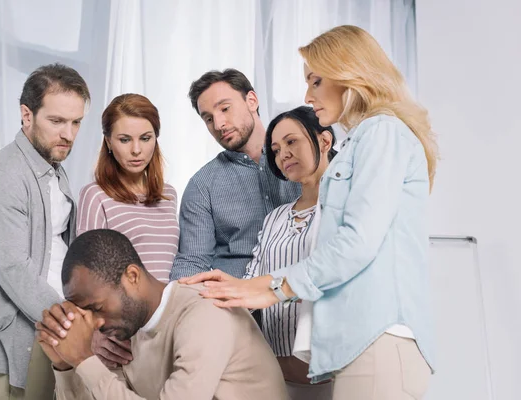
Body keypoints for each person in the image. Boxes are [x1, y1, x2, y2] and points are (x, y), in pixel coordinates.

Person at [182, 25, 438, 400]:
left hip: (379, 335)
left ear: (350, 74)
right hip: (356, 341)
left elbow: (356, 243)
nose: (307, 95)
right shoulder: (363, 141)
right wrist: (244, 286)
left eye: (316, 81)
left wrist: (271, 288)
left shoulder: (382, 132)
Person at [36, 229, 289, 400]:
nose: (96, 324)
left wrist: (83, 359)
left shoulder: (204, 311)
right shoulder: (126, 328)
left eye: (97, 308)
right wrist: (65, 364)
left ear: (132, 277)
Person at [0, 63, 90, 399]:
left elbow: (59, 250)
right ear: (27, 115)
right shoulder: (2, 176)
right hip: (18, 335)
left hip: (53, 329)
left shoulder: (52, 170)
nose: (69, 134)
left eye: (76, 122)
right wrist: (71, 321)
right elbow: (13, 268)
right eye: (57, 121)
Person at [169, 69, 300, 281]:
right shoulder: (202, 185)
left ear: (252, 100)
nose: (219, 124)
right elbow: (192, 261)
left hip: (303, 294)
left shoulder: (303, 159)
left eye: (225, 109)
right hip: (238, 305)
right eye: (209, 119)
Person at [242, 106, 336, 399]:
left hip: (333, 370)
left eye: (291, 142)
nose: (283, 154)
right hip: (277, 374)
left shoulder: (344, 208)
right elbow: (251, 284)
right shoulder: (275, 218)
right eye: (275, 149)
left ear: (324, 141)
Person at [77, 93, 178, 283]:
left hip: (170, 307)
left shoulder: (169, 194)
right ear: (108, 141)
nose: (136, 150)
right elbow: (88, 271)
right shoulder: (95, 196)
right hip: (123, 309)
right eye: (125, 140)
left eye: (145, 138)